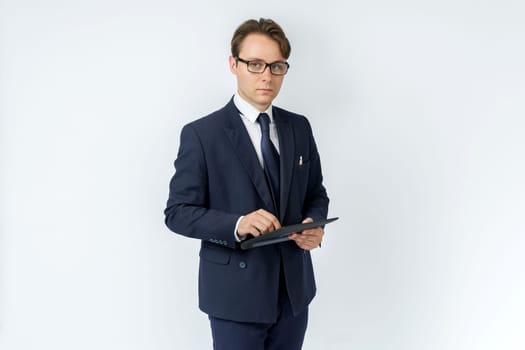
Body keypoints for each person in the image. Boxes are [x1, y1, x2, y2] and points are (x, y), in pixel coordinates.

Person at [164, 18, 329, 350]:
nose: (266, 75)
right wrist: (238, 224)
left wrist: (314, 224)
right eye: (255, 64)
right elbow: (178, 212)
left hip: (294, 293)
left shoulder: (299, 127)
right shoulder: (201, 135)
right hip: (235, 297)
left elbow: (316, 193)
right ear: (233, 64)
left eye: (276, 66)